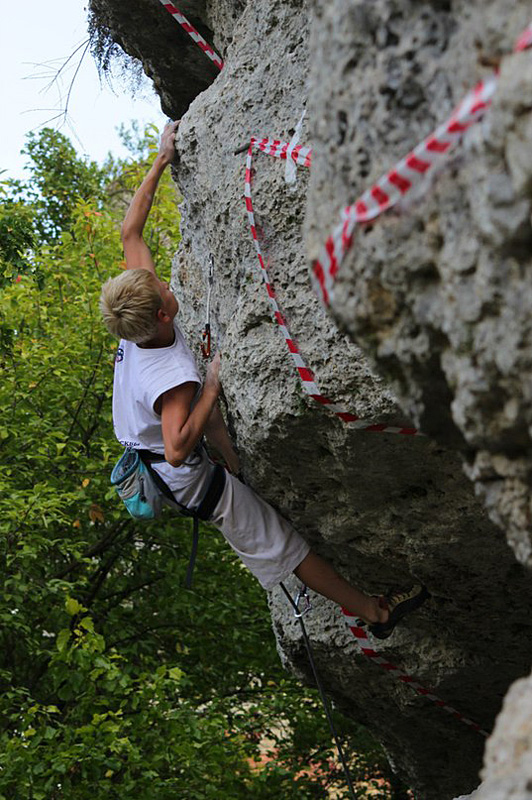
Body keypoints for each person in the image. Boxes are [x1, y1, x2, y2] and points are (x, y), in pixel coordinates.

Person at [99, 120, 428, 640]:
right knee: (281, 543)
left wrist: (162, 159)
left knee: (223, 451)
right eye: (165, 291)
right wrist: (210, 386)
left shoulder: (134, 324)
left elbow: (130, 232)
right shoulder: (170, 377)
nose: (165, 284)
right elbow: (179, 447)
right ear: (163, 317)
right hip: (184, 477)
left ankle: (233, 462)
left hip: (156, 451)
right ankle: (375, 614)